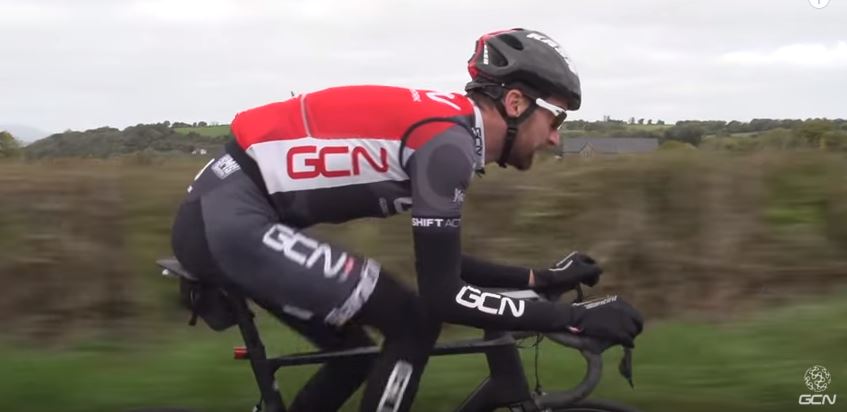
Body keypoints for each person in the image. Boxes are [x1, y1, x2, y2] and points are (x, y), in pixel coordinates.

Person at [170, 28, 643, 412]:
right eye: (555, 121)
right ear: (516, 104)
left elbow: (445, 264)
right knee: (413, 322)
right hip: (232, 224)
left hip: (227, 215)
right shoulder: (447, 148)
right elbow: (444, 296)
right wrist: (574, 318)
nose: (556, 140)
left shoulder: (451, 134)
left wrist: (540, 278)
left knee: (351, 358)